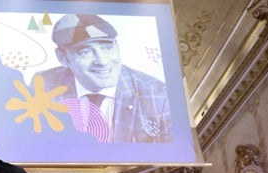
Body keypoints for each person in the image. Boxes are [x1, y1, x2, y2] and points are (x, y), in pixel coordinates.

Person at [32, 13, 173, 143]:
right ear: (63, 58)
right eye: (85, 51)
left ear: (117, 47)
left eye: (107, 47)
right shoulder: (43, 84)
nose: (103, 62)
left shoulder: (159, 97)